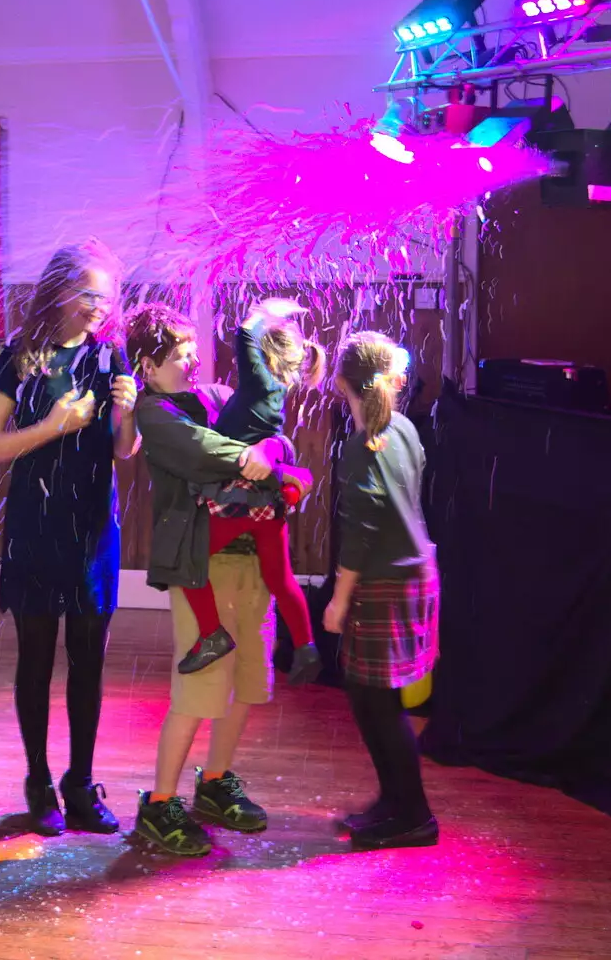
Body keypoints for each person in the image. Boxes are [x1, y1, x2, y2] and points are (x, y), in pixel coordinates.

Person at [125, 302, 308, 857]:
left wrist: (273, 452)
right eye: (178, 356)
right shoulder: (154, 412)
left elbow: (277, 435)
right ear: (148, 368)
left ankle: (214, 783)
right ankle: (159, 804)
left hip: (256, 558)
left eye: (191, 352)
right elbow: (203, 453)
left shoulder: (214, 397)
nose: (191, 362)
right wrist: (260, 461)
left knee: (247, 682)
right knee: (199, 690)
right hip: (202, 564)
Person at [0, 238, 140, 837]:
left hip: (93, 529)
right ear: (60, 290)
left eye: (107, 296)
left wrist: (128, 416)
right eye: (89, 293)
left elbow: (123, 450)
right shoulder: (20, 358)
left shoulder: (112, 357)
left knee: (89, 663)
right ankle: (39, 782)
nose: (100, 305)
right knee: (37, 659)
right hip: (35, 528)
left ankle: (81, 785)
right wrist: (49, 426)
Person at [322, 331, 441, 850]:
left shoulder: (359, 446)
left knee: (378, 704)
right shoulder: (407, 429)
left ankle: (413, 814)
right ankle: (396, 803)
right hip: (415, 575)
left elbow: (362, 532)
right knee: (377, 700)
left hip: (384, 583)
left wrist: (339, 599)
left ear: (341, 384)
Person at [176, 297, 324, 682]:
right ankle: (306, 646)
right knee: (281, 577)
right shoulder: (275, 395)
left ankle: (211, 634)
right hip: (267, 507)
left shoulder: (259, 383)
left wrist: (263, 316)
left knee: (186, 560)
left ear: (266, 359)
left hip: (237, 502)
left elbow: (244, 336)